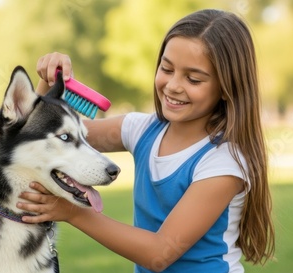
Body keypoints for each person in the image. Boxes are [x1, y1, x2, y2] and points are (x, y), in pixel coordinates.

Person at [17, 9, 275, 273]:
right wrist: (46, 82)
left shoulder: (222, 161)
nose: (173, 85)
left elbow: (159, 254)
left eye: (193, 78)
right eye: (167, 68)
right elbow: (44, 136)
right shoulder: (142, 129)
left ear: (226, 87)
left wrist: (72, 212)